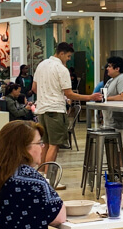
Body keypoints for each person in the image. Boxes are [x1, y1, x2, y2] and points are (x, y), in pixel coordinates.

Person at [31, 42, 102, 170]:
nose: (69, 59)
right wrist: (90, 97)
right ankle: (49, 179)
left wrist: (47, 93)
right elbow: (69, 94)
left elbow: (34, 88)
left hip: (41, 110)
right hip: (55, 110)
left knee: (45, 144)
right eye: (68, 56)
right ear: (61, 53)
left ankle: (41, 176)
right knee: (54, 145)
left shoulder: (41, 65)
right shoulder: (61, 69)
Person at [103, 56, 123, 130]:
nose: (107, 68)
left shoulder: (122, 79)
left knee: (120, 140)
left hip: (119, 122)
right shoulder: (110, 80)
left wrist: (106, 98)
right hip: (110, 120)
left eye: (109, 66)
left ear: (117, 68)